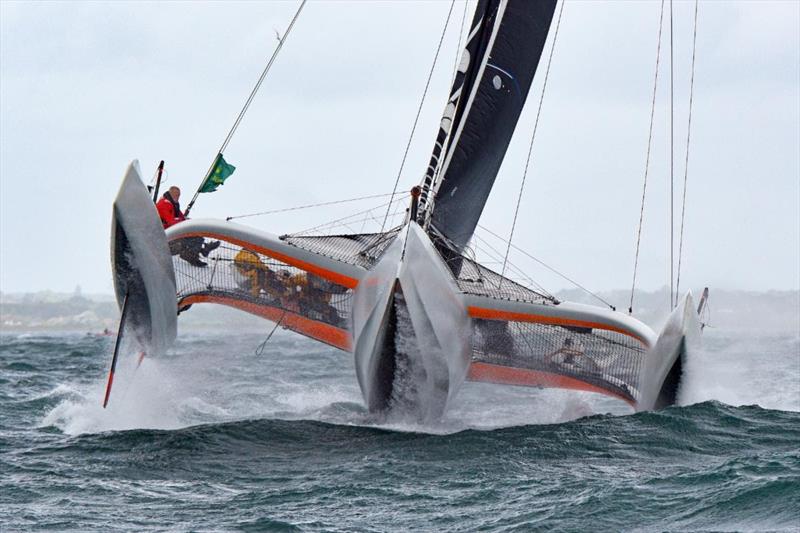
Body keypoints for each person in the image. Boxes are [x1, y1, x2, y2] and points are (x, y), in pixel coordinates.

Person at [156, 186, 219, 267]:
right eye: (176, 195)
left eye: (179, 195)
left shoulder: (173, 205)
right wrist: (184, 223)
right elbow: (171, 222)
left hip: (170, 238)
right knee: (192, 237)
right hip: (163, 243)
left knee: (196, 234)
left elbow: (182, 219)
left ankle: (201, 251)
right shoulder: (164, 204)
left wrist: (189, 223)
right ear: (170, 193)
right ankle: (196, 254)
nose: (178, 197)